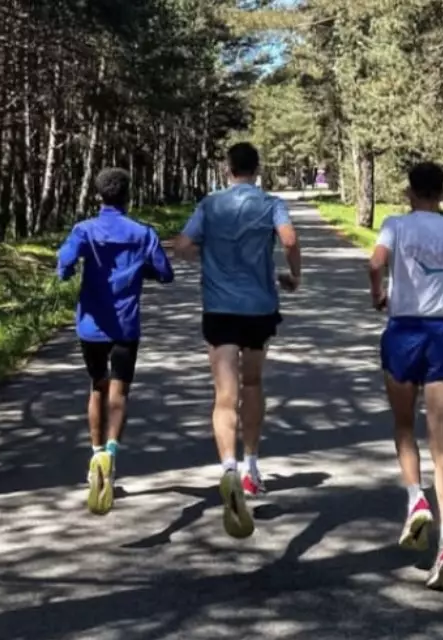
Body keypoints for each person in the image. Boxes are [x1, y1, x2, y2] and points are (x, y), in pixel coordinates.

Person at [173, 142, 301, 539]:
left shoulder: (210, 204)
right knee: (254, 384)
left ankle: (227, 467)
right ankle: (251, 468)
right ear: (257, 169)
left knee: (224, 395)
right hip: (260, 308)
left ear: (227, 169)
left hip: (220, 309)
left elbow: (181, 246)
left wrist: (208, 261)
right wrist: (293, 276)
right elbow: (291, 240)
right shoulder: (271, 203)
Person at [368, 162, 443, 592]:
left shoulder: (395, 225)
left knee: (403, 425)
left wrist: (378, 294)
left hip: (402, 333)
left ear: (410, 191)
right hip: (440, 335)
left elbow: (375, 263)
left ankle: (416, 498)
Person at [56, 167, 175, 515]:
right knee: (119, 393)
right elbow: (166, 273)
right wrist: (144, 270)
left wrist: (67, 271)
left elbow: (63, 263)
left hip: (91, 326)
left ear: (99, 196)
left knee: (97, 387)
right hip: (125, 326)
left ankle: (95, 456)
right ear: (128, 196)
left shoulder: (84, 230)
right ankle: (110, 453)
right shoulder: (142, 233)